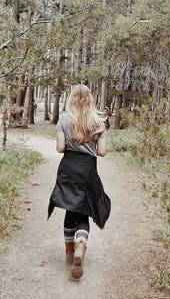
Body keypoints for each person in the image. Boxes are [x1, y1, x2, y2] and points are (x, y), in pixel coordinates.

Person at [47, 84, 111, 280]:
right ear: (90, 99)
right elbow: (101, 152)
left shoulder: (64, 119)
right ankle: (80, 247)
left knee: (70, 208)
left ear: (71, 98)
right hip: (87, 170)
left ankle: (69, 251)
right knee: (84, 209)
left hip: (68, 168)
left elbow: (60, 148)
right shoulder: (98, 122)